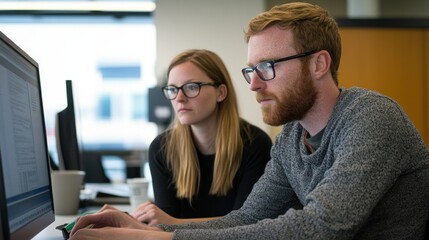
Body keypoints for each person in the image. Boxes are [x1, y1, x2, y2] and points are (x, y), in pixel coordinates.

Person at [69, 2, 429, 240]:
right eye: (251, 70)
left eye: (267, 67)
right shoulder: (291, 138)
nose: (254, 83)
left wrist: (159, 238)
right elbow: (244, 219)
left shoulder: (371, 117)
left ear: (319, 64)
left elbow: (322, 226)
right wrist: (146, 228)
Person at [131, 49, 272, 226]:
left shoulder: (256, 144)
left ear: (220, 92)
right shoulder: (162, 148)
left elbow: (246, 225)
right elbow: (163, 227)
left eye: (191, 87)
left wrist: (173, 223)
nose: (179, 98)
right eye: (172, 89)